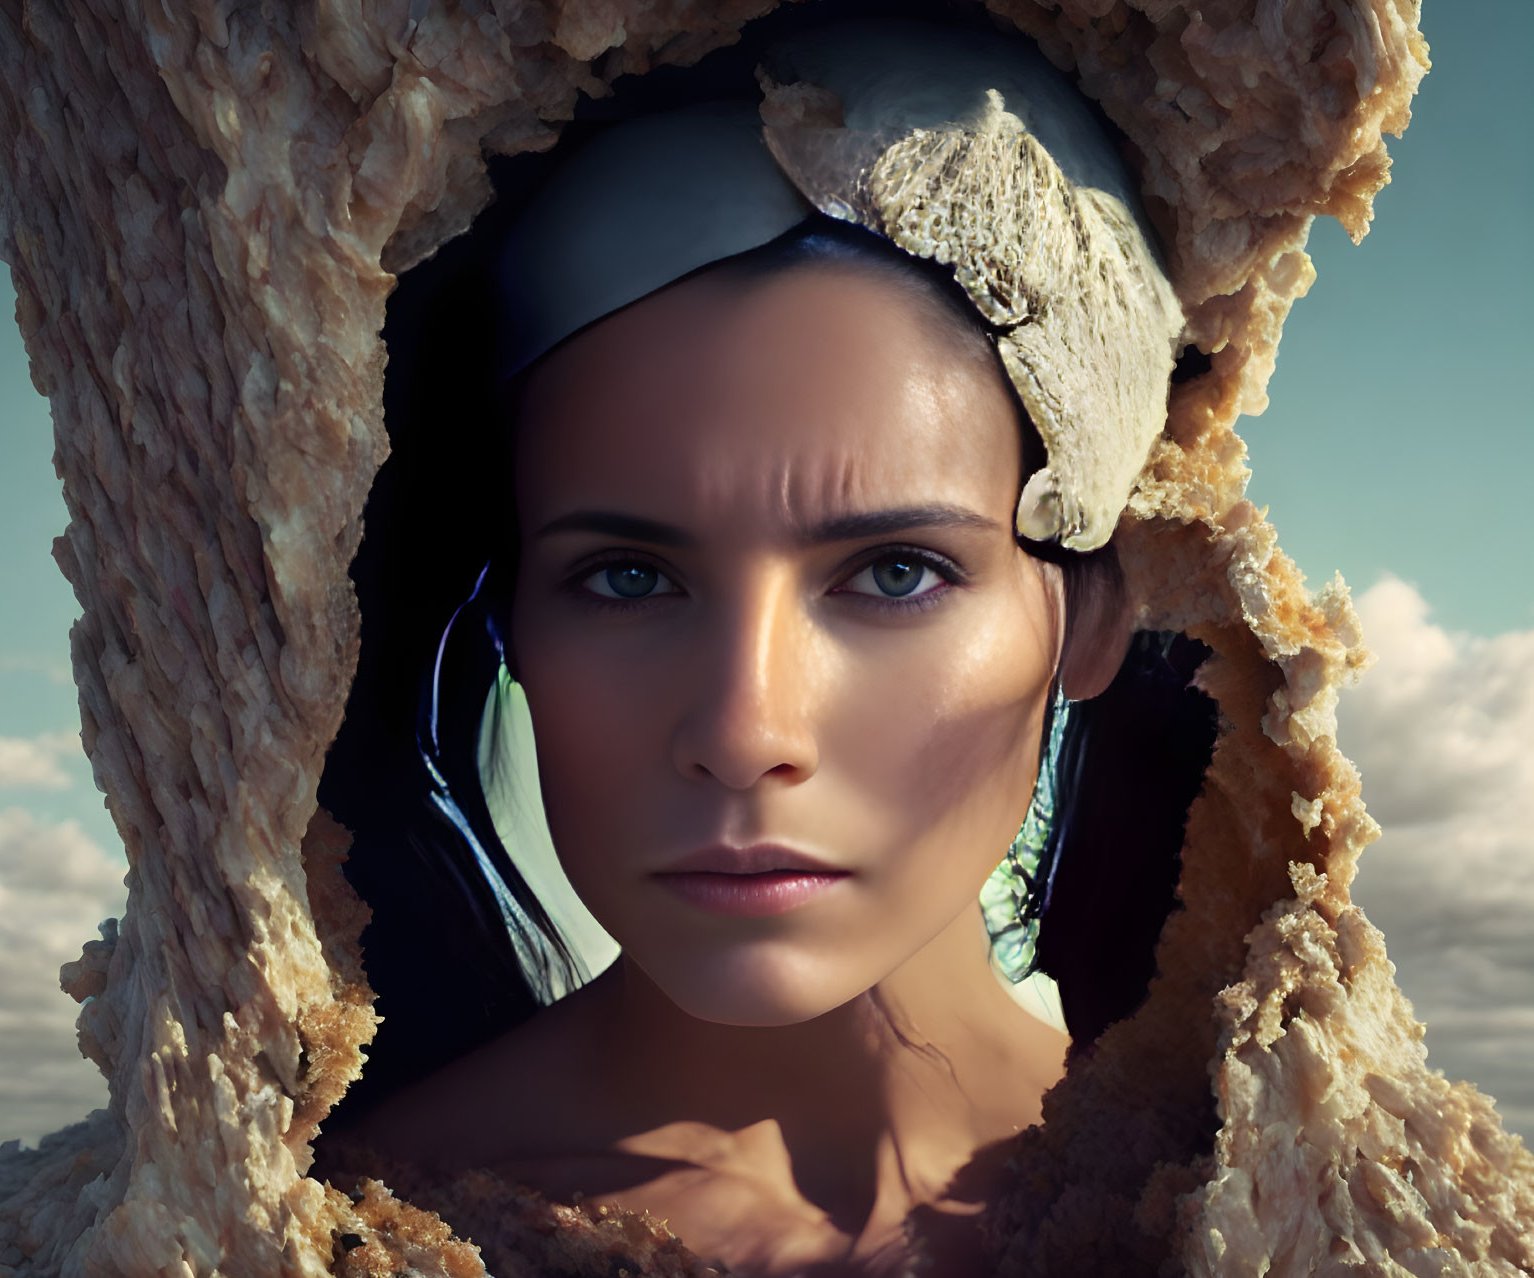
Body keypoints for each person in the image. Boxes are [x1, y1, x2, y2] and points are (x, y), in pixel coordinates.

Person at [317, 16, 1214, 1275]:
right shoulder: (318, 1238)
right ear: (509, 613)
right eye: (626, 578)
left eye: (894, 573)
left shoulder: (1273, 1213)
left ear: (1090, 613)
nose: (744, 733)